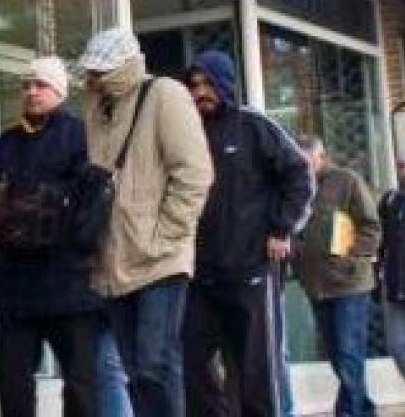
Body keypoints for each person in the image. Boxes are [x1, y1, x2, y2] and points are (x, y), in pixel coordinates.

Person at [80, 28, 213, 417]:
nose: (92, 79)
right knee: (135, 370)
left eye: (99, 71)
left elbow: (195, 173)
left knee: (156, 364)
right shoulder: (95, 108)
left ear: (120, 69)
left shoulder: (165, 95)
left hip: (160, 259)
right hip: (112, 260)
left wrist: (163, 237)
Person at [182, 51, 313, 417]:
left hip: (252, 268)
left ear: (225, 83)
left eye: (208, 83)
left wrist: (282, 228)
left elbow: (300, 175)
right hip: (199, 274)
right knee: (189, 363)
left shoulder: (254, 126)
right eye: (194, 85)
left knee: (257, 371)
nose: (200, 92)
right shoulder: (186, 132)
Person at [0, 57, 104, 417]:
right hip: (15, 288)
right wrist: (27, 205)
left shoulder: (82, 139)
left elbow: (93, 202)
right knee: (14, 389)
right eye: (26, 85)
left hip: (71, 284)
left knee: (81, 388)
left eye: (41, 85)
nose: (31, 92)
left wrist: (34, 204)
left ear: (60, 91)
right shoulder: (2, 146)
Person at [297, 136, 380, 417]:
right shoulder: (297, 186)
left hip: (349, 284)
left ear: (321, 157)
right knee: (338, 356)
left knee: (347, 353)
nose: (302, 166)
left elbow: (371, 226)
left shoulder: (347, 181)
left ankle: (349, 412)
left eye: (306, 161)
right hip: (317, 285)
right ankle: (363, 408)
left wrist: (351, 257)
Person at [379, 158, 405, 381]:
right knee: (395, 346)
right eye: (401, 166)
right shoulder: (390, 200)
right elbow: (380, 239)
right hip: (394, 282)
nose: (402, 171)